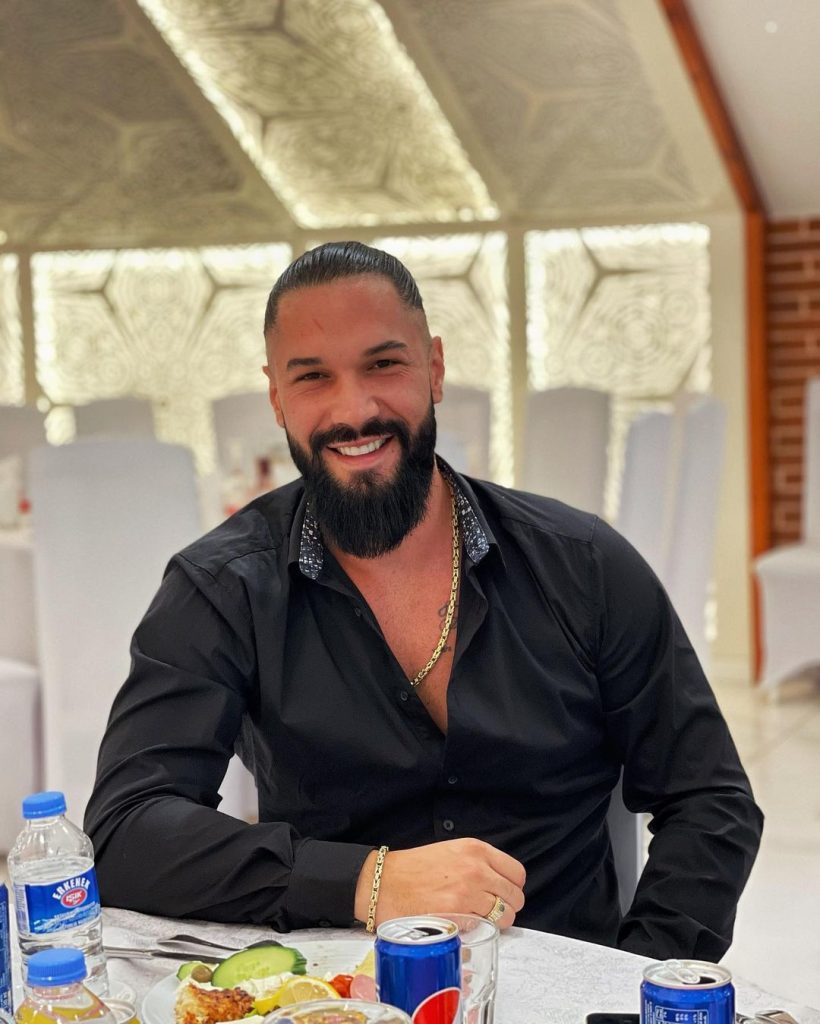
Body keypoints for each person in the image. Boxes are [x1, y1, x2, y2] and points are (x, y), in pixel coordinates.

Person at [85, 241, 762, 960]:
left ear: (434, 368)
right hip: (335, 990)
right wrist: (367, 882)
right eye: (313, 377)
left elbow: (709, 803)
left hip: (562, 980)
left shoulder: (584, 564)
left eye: (384, 364)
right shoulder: (223, 588)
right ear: (277, 397)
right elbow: (126, 832)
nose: (355, 409)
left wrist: (636, 986)